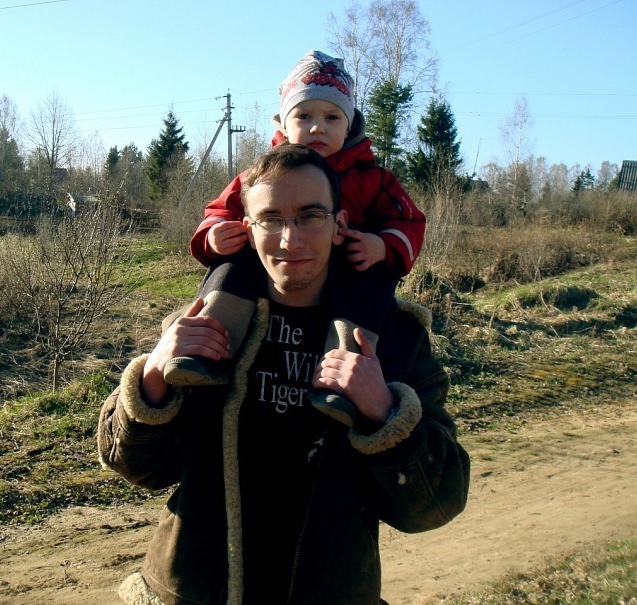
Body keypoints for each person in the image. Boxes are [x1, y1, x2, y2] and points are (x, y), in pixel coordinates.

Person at [98, 144, 470, 605]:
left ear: (340, 225)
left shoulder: (391, 340)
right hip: (193, 592)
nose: (290, 240)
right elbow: (133, 466)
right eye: (270, 219)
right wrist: (153, 376)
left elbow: (436, 503)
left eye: (310, 216)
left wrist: (384, 411)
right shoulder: (207, 324)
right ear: (247, 228)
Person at [164, 50, 426, 428]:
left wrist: (383, 246)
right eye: (304, 116)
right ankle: (207, 351)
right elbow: (219, 210)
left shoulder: (373, 179)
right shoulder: (261, 175)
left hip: (350, 267)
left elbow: (410, 221)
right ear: (284, 124)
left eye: (332, 117)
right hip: (270, 273)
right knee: (234, 261)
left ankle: (342, 383)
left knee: (369, 286)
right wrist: (214, 235)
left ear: (350, 125)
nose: (317, 127)